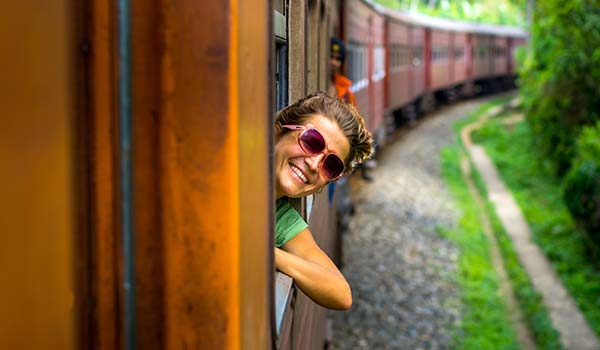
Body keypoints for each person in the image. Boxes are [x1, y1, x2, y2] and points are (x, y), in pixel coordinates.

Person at [274, 91, 374, 310]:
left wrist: (269, 254)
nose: (313, 164)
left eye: (330, 165)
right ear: (279, 131)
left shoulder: (281, 218)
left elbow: (341, 294)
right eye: (311, 141)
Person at [328, 37, 375, 182]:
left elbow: (355, 121)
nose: (334, 62)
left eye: (338, 59)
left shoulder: (346, 90)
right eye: (331, 57)